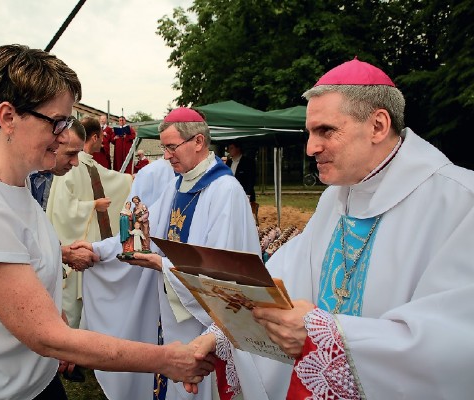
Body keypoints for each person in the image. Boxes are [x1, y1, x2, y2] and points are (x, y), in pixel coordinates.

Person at [0, 44, 214, 400]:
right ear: (8, 117)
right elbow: (46, 336)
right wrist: (167, 359)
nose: (66, 135)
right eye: (57, 122)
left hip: (34, 382)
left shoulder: (14, 186)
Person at [192, 58, 474, 399]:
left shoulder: (460, 203)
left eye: (326, 130)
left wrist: (329, 336)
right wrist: (226, 330)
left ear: (378, 126)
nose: (311, 147)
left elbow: (455, 341)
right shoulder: (335, 198)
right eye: (310, 132)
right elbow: (284, 281)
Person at [93, 107, 261, 400]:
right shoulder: (178, 184)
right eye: (164, 148)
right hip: (172, 312)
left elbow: (222, 274)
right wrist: (97, 251)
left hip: (208, 324)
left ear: (198, 142)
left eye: (171, 147)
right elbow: (142, 231)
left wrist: (162, 264)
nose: (166, 155)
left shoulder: (225, 191)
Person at [82, 157, 176, 400]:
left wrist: (97, 249)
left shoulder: (157, 174)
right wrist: (97, 249)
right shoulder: (162, 175)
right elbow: (136, 230)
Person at [46, 116, 132, 330]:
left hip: (87, 243)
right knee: (69, 304)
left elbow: (111, 179)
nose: (103, 143)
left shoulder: (86, 163)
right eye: (101, 138)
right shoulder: (67, 167)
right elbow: (63, 208)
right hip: (72, 244)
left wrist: (132, 180)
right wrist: (93, 205)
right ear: (94, 137)